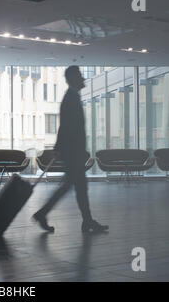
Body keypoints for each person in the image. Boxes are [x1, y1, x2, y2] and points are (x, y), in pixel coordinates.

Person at [32, 66, 108, 233]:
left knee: (78, 187)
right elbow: (67, 127)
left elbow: (65, 127)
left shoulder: (71, 97)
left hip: (73, 153)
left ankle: (86, 220)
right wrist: (64, 149)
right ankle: (44, 213)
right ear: (73, 78)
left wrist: (60, 148)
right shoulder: (71, 98)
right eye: (80, 75)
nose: (83, 78)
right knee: (74, 187)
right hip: (73, 154)